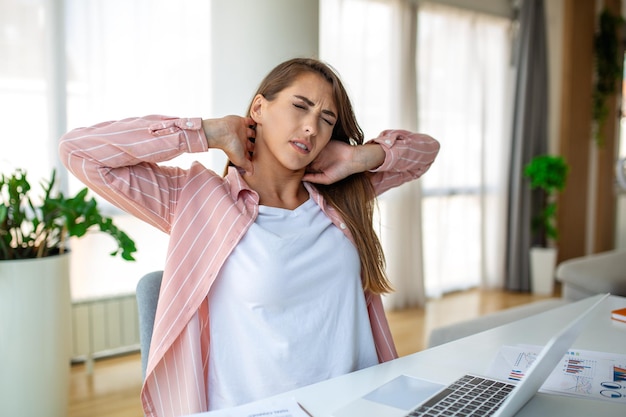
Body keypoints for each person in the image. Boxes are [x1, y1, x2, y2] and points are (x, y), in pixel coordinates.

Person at [59, 57, 440, 417]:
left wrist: (360, 158)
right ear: (258, 108)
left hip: (359, 404)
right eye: (300, 106)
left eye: (326, 118)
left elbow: (425, 152)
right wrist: (206, 132)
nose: (311, 127)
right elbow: (80, 153)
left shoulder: (342, 197)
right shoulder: (199, 200)